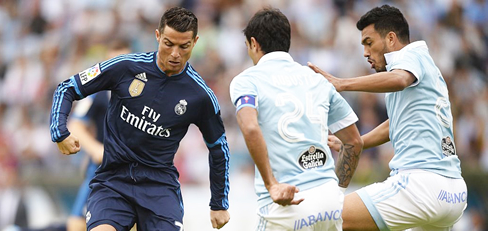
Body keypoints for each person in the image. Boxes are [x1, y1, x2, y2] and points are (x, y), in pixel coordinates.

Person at [50, 6, 230, 231]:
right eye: (168, 44)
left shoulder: (200, 95)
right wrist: (59, 132)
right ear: (157, 36)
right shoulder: (125, 67)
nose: (175, 53)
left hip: (159, 188)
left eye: (183, 46)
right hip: (112, 181)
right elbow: (68, 87)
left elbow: (218, 148)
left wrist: (219, 203)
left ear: (194, 42)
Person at [308, 4, 467, 231]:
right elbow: (397, 123)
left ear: (391, 39)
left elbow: (400, 79)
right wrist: (356, 142)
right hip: (451, 192)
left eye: (369, 43)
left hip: (421, 185)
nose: (365, 52)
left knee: (326, 217)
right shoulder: (423, 66)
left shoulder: (410, 56)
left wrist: (341, 83)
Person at [230, 8, 363, 231]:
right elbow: (354, 142)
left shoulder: (247, 81)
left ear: (253, 43)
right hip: (329, 201)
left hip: (287, 204)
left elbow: (250, 128)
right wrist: (335, 191)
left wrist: (272, 185)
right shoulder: (318, 79)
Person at [66, 39, 131, 231]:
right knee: (76, 224)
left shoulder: (145, 93)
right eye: (112, 63)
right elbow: (75, 125)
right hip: (102, 169)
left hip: (135, 170)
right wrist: (96, 149)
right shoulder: (99, 93)